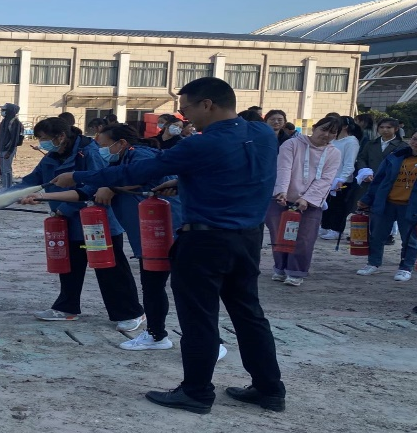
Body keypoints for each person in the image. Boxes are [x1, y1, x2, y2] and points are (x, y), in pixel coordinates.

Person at [51, 77, 286, 415]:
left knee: (199, 317)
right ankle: (270, 389)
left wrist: (79, 176)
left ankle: (196, 392)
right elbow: (236, 171)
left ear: (207, 104)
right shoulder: (262, 133)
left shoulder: (201, 144)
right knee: (249, 314)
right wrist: (186, 180)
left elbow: (141, 171)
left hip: (205, 242)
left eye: (186, 109)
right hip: (248, 238)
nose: (184, 117)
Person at [17, 118, 146, 335]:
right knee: (69, 265)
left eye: (44, 138)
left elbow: (95, 187)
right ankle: (66, 307)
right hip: (69, 223)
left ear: (61, 136)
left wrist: (63, 208)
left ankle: (131, 312)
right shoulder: (52, 157)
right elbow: (32, 180)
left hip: (97, 222)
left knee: (109, 267)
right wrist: (4, 196)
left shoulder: (90, 153)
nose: (42, 143)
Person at [90, 124, 203, 354]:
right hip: (149, 238)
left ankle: (211, 342)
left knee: (187, 288)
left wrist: (112, 188)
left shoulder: (141, 155)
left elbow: (144, 173)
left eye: (104, 145)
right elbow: (91, 188)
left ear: (121, 143)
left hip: (170, 231)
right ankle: (156, 334)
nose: (101, 151)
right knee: (152, 286)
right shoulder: (121, 161)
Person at [356, 128, 417, 281]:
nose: (416, 143)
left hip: (413, 206)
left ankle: (405, 267)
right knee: (377, 235)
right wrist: (367, 198)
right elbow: (379, 179)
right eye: (414, 138)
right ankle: (373, 263)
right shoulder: (397, 155)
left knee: (409, 239)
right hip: (387, 202)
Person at [265, 116, 343, 286]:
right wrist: (282, 191)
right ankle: (280, 267)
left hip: (311, 202)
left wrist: (307, 198)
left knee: (304, 238)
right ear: (314, 128)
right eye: (323, 129)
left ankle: (296, 271)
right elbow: (284, 168)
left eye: (332, 132)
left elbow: (326, 179)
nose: (326, 135)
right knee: (279, 235)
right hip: (282, 198)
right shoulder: (292, 144)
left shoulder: (334, 153)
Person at [355, 118, 404, 243]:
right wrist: (365, 171)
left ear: (396, 129)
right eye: (382, 127)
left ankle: (388, 234)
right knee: (367, 207)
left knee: (387, 209)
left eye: (388, 127)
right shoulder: (371, 144)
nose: (385, 130)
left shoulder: (402, 146)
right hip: (370, 179)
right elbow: (361, 158)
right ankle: (365, 232)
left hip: (390, 182)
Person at [320, 116, 362, 240]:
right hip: (328, 177)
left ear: (345, 127)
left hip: (341, 180)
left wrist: (342, 179)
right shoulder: (332, 141)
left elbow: (349, 163)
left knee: (339, 206)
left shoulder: (351, 142)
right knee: (326, 204)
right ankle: (325, 226)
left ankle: (336, 229)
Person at [0, 103, 24, 189]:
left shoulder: (15, 122)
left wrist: (9, 151)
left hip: (8, 149)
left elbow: (14, 139)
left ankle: (8, 187)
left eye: (4, 110)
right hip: (2, 148)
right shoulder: (4, 121)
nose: (2, 111)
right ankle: (4, 186)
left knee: (7, 170)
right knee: (2, 169)